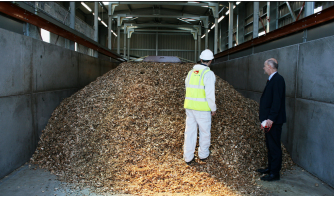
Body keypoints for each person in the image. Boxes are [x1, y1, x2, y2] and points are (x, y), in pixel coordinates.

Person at [183, 49, 216, 165]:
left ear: (201, 59)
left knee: (190, 132)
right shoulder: (208, 74)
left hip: (190, 108)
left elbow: (187, 88)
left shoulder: (191, 73)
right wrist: (213, 108)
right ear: (211, 61)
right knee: (204, 132)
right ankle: (203, 155)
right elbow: (210, 94)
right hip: (202, 109)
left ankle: (188, 157)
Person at [257, 58, 286, 181]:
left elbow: (277, 102)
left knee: (274, 146)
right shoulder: (272, 79)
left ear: (269, 66)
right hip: (268, 120)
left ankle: (275, 173)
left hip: (273, 121)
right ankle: (270, 168)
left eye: (264, 66)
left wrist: (271, 119)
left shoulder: (278, 80)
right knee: (270, 145)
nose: (264, 68)